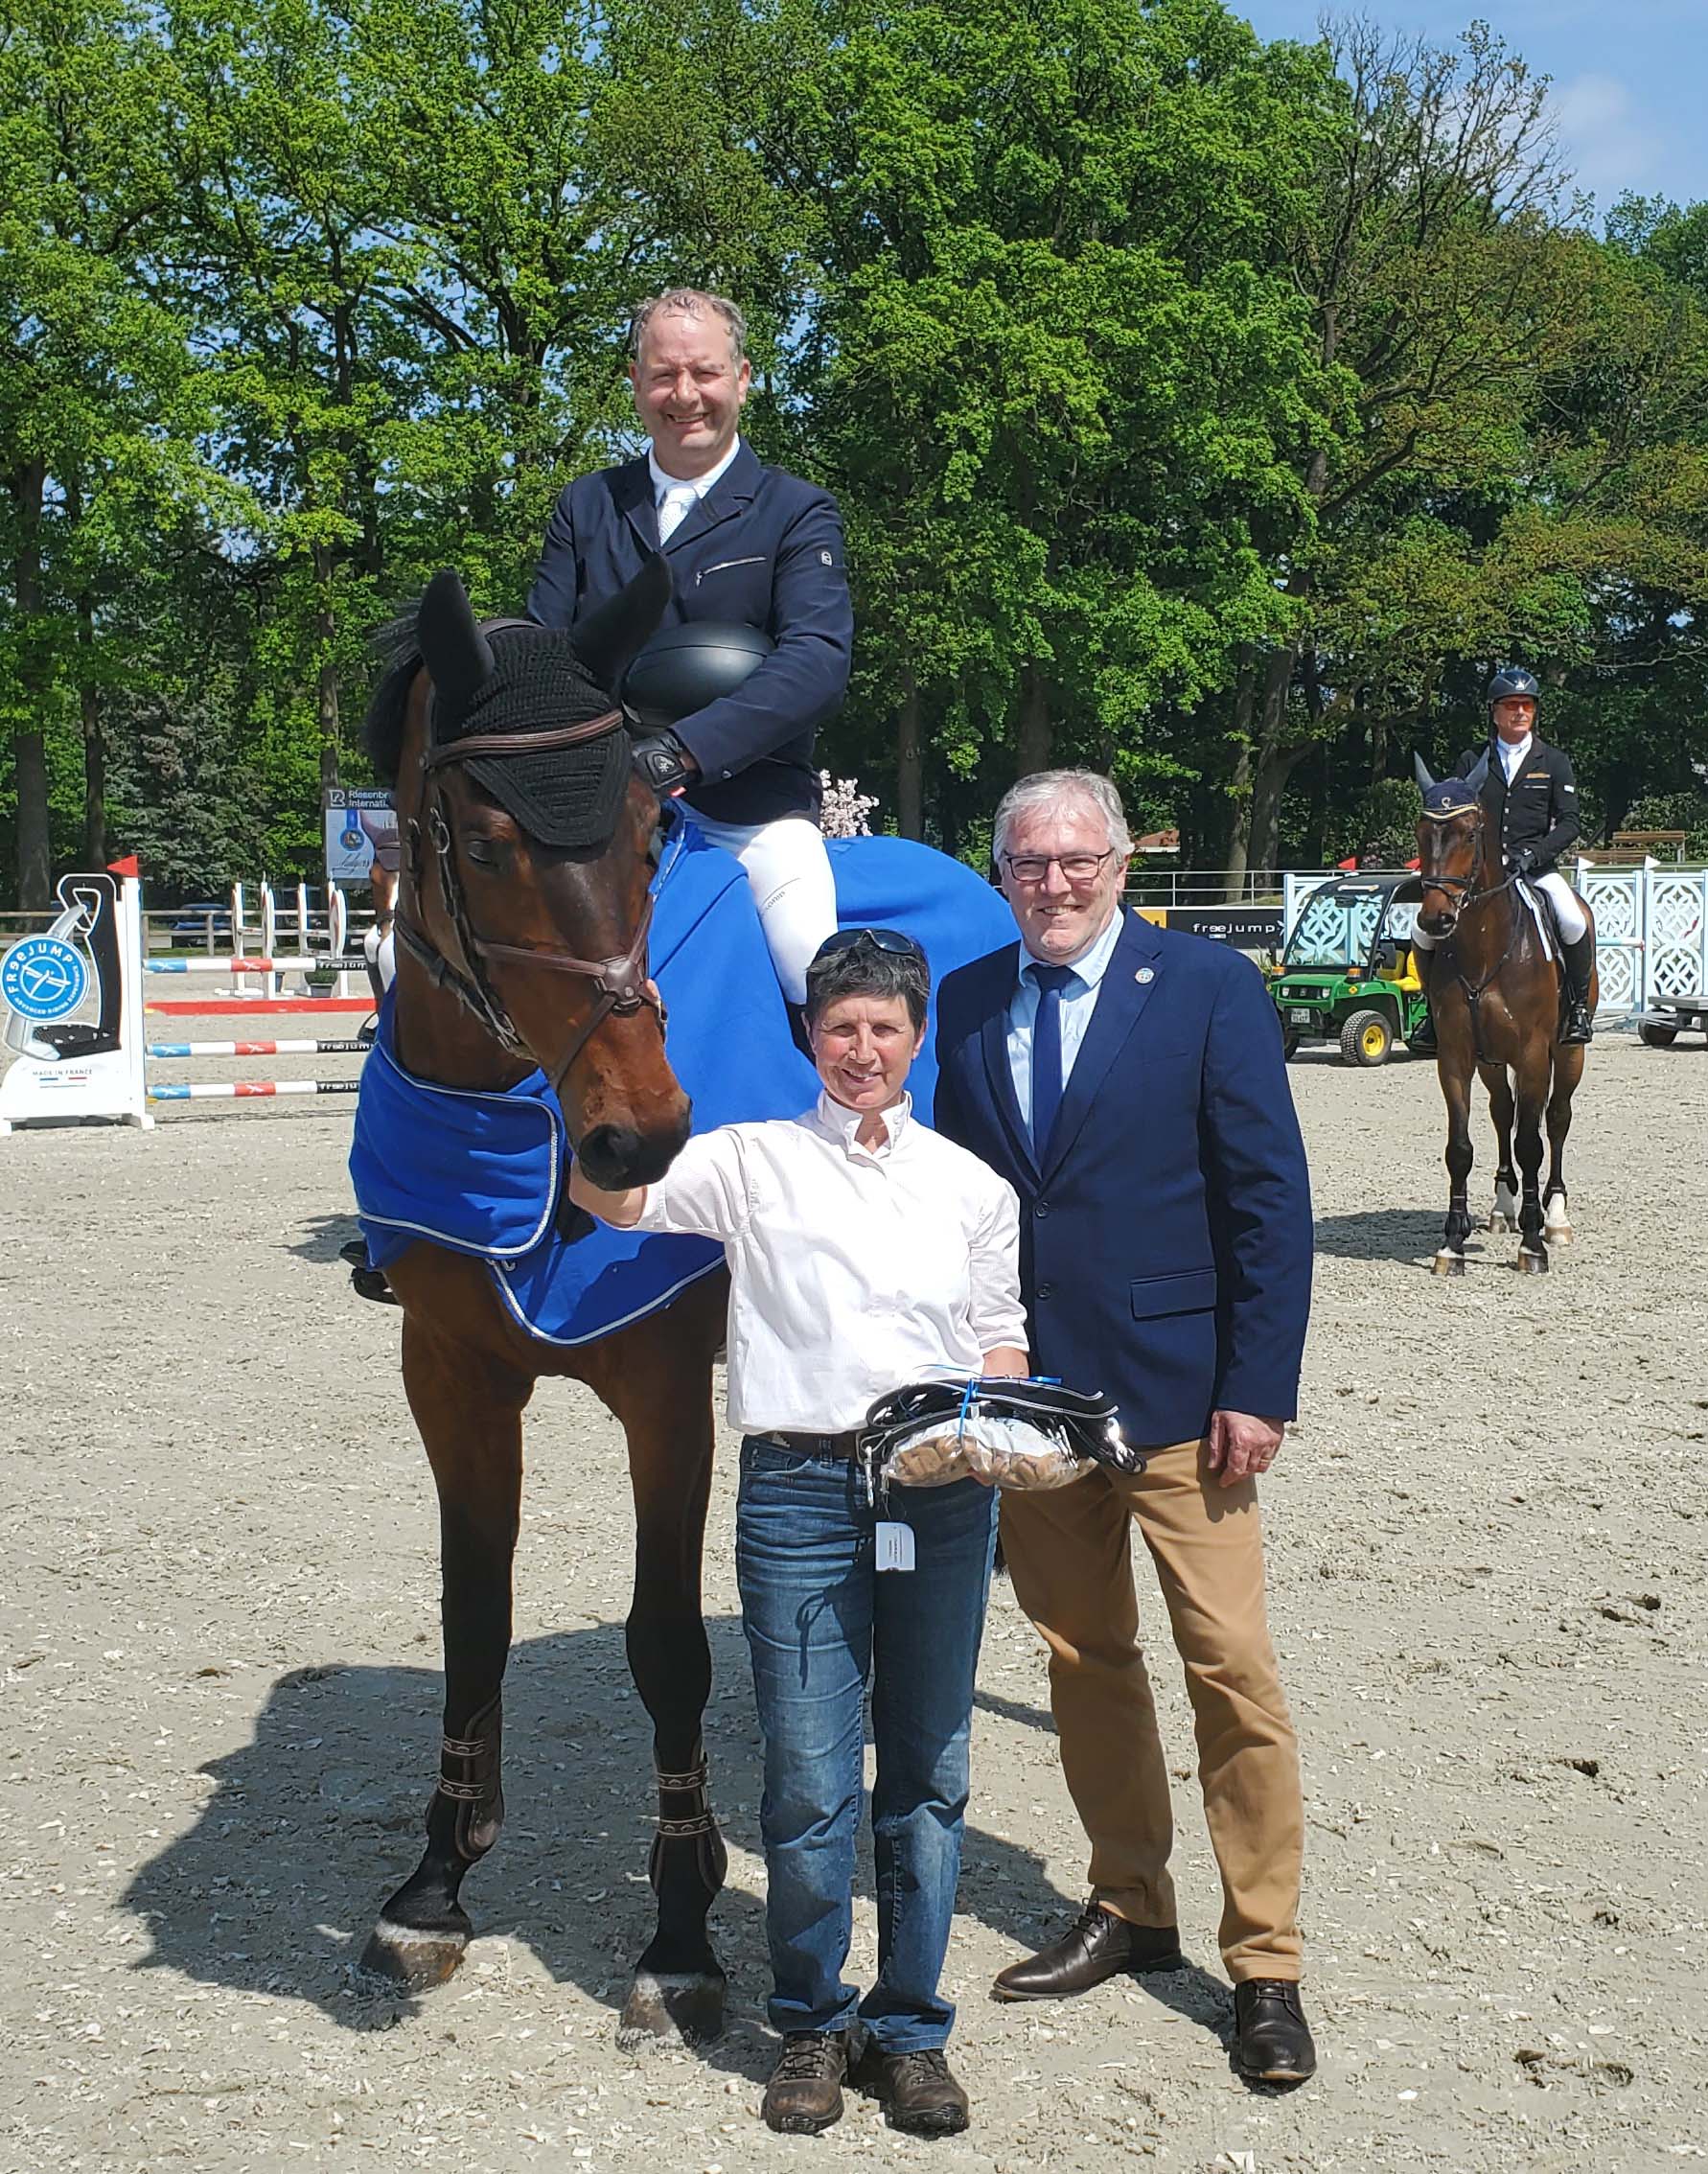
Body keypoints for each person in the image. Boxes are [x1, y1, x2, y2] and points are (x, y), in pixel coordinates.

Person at [568, 930, 1028, 2139]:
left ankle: (912, 2029)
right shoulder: (750, 1161)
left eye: (884, 1028)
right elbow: (617, 1200)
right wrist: (584, 1064)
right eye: (840, 1028)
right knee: (811, 1779)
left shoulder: (973, 1188)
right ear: (810, 1038)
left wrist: (1001, 1418)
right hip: (801, 1495)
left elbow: (1000, 1332)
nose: (862, 1049)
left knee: (927, 1771)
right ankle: (813, 2020)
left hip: (940, 1493)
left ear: (917, 1038)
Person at [933, 769, 1319, 2087]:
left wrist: (1256, 1385)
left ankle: (1264, 1961)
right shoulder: (965, 1000)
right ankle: (1131, 1902)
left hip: (1180, 1403)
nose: (1053, 883)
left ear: (1119, 866)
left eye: (1076, 860)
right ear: (1000, 873)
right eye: (1028, 863)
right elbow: (962, 1204)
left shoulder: (1206, 989)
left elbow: (1266, 1198)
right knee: (1082, 1658)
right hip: (1036, 1410)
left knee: (1230, 1670)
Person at [528, 288, 850, 1010]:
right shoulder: (586, 506)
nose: (684, 395)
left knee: (812, 966)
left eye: (704, 373)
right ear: (635, 383)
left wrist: (683, 752)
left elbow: (817, 662)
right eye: (663, 374)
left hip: (752, 812)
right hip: (598, 807)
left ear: (741, 378)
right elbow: (546, 658)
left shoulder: (796, 511)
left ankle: (832, 1076)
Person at [1411, 666, 1595, 1051]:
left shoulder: (1553, 761)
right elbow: (1453, 819)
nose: (1520, 712)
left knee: (1573, 919)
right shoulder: (1472, 761)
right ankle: (1433, 1012)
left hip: (1535, 868)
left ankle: (1577, 1008)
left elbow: (1570, 822)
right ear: (1494, 712)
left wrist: (1535, 855)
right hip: (1480, 875)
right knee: (1422, 932)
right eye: (1511, 705)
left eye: (1527, 705)